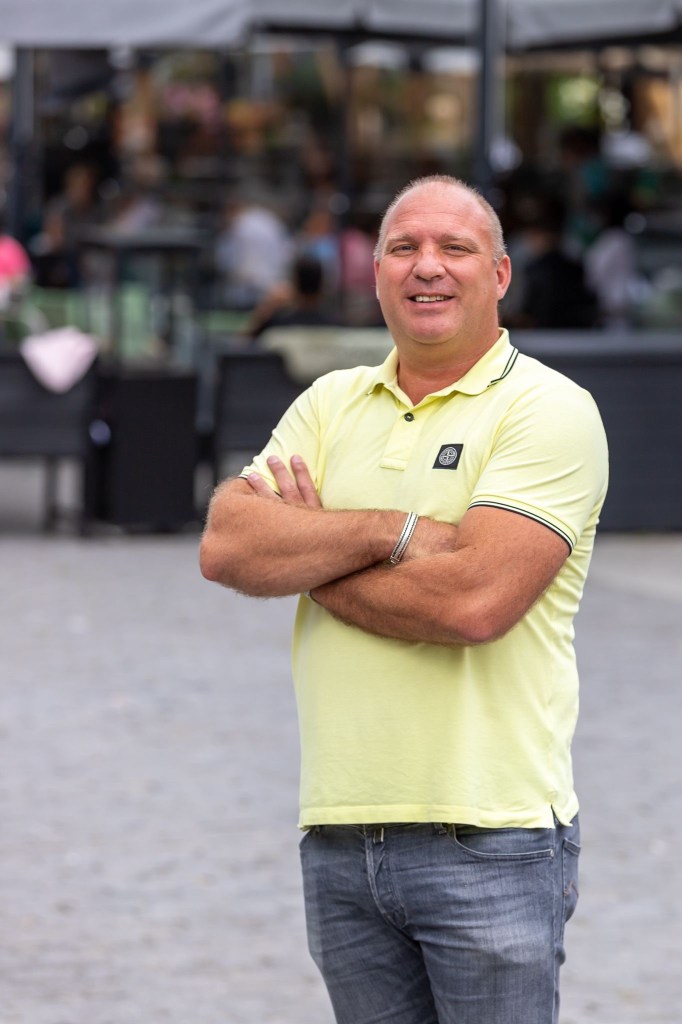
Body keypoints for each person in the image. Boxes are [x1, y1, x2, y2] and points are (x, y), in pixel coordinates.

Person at [200, 175, 609, 1024]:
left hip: (490, 837)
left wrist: (311, 551)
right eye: (403, 247)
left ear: (499, 274)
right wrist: (397, 531)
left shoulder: (549, 410)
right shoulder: (330, 402)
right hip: (339, 835)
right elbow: (228, 545)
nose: (428, 266)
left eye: (455, 248)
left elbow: (472, 605)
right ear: (377, 271)